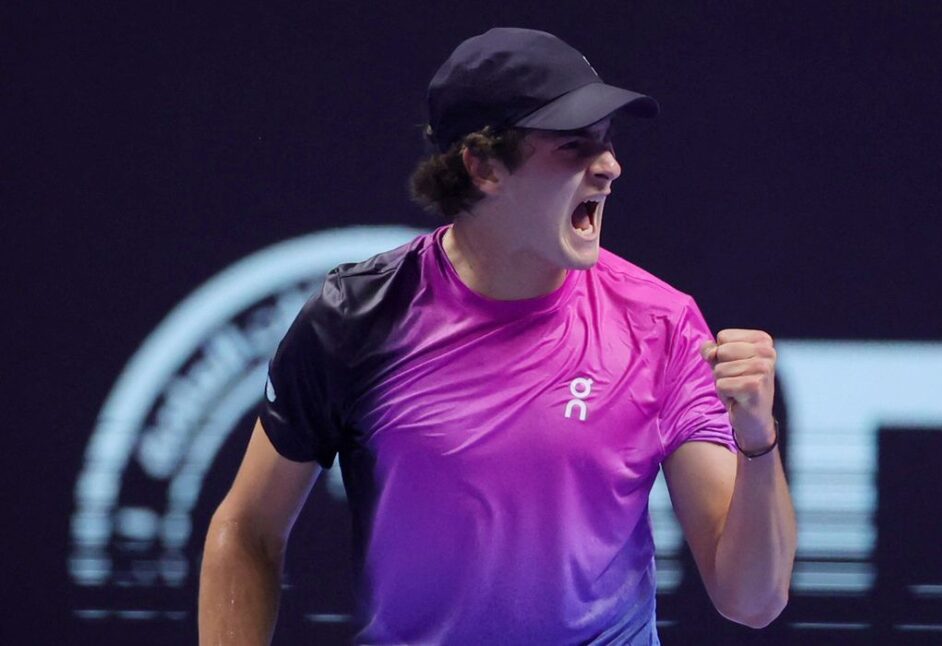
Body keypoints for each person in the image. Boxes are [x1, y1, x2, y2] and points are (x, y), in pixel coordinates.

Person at [199, 27, 796, 645]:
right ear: (482, 166)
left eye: (608, 141)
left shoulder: (663, 326)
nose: (610, 166)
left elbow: (751, 599)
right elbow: (246, 531)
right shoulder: (355, 321)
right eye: (573, 145)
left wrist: (757, 440)